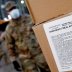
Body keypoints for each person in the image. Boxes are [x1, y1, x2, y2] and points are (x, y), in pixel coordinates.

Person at [4, 1, 50, 72]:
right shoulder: (9, 28)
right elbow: (10, 46)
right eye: (10, 10)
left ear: (17, 8)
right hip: (26, 59)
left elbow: (42, 33)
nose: (13, 10)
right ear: (8, 12)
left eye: (14, 8)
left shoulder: (30, 19)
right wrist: (14, 60)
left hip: (40, 54)